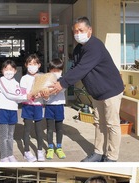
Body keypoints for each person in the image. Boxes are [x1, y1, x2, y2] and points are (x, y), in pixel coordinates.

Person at [50, 17, 124, 162]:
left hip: (111, 90)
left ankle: (111, 157)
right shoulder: (79, 49)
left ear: (90, 30)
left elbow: (82, 69)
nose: (78, 33)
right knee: (99, 123)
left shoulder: (94, 46)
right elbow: (74, 68)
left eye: (81, 30)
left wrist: (62, 84)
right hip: (97, 92)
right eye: (75, 31)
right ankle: (98, 152)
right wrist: (60, 81)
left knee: (111, 124)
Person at [0, 59, 31, 162]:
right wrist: (25, 97)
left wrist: (27, 96)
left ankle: (10, 154)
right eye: (6, 69)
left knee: (11, 135)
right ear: (2, 71)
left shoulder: (16, 83)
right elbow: (8, 94)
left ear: (15, 71)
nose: (8, 71)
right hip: (2, 110)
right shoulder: (1, 80)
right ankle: (3, 156)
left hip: (13, 110)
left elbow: (19, 97)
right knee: (4, 135)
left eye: (11, 69)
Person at [20, 54, 45, 162]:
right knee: (27, 130)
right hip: (27, 106)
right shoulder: (24, 78)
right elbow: (22, 95)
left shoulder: (42, 77)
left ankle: (40, 151)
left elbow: (46, 92)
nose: (32, 66)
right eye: (30, 64)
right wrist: (29, 95)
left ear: (39, 65)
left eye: (34, 64)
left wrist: (42, 95)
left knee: (39, 130)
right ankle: (26, 151)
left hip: (38, 106)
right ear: (26, 65)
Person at [43, 58, 66, 160]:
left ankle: (59, 147)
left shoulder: (63, 80)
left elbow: (59, 90)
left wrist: (49, 91)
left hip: (59, 106)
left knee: (59, 128)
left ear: (61, 70)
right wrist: (45, 96)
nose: (56, 73)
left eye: (58, 70)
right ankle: (50, 148)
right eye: (53, 71)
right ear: (50, 71)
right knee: (50, 128)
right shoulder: (46, 80)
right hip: (49, 106)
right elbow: (44, 95)